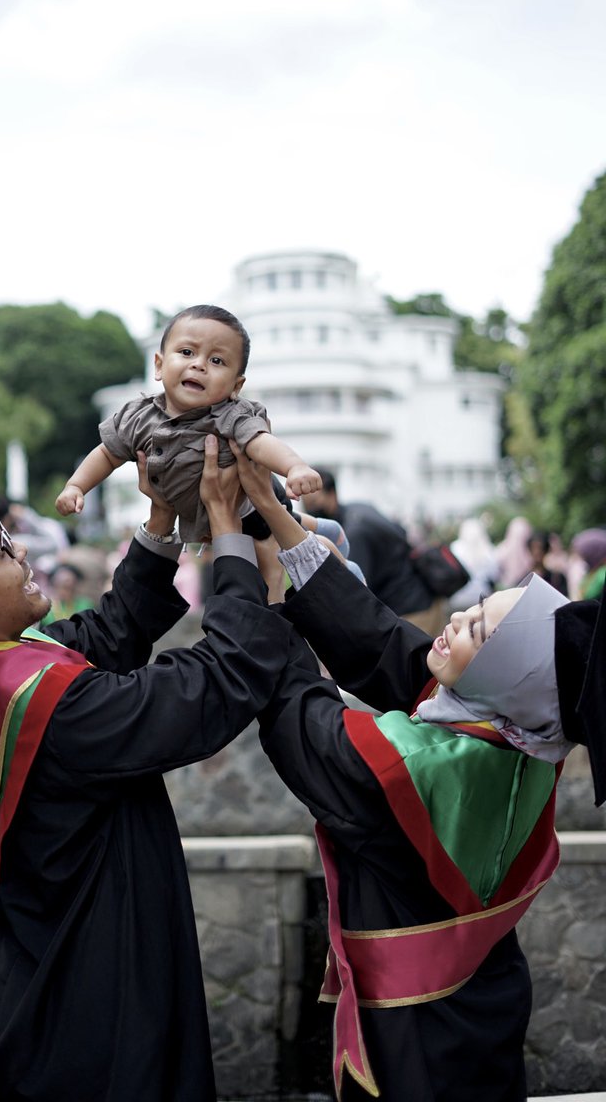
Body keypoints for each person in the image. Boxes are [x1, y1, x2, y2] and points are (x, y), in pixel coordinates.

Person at [0, 427, 303, 1102]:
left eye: (6, 533)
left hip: (44, 961)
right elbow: (208, 689)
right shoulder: (38, 705)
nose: (22, 549)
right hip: (101, 991)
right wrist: (231, 537)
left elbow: (110, 631)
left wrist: (162, 518)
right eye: (0, 550)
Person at [229, 442, 604, 1102]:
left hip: (421, 1034)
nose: (455, 617)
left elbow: (308, 730)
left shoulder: (428, 768)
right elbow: (378, 640)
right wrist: (272, 514)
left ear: (505, 681)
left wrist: (255, 590)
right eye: (476, 606)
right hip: (483, 998)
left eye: (478, 630)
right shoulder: (517, 733)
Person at [55, 304, 322, 542]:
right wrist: (76, 486)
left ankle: (329, 540)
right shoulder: (138, 417)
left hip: (248, 507)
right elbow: (106, 454)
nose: (199, 365)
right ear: (158, 365)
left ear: (235, 385)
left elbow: (261, 443)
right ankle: (319, 529)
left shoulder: (231, 415)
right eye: (186, 352)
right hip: (201, 520)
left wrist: (294, 467)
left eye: (216, 360)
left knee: (276, 553)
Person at [301, 467, 443, 634]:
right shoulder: (360, 508)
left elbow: (355, 588)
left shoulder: (354, 533)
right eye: (305, 505)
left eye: (314, 503)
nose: (309, 510)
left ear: (332, 494)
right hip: (423, 600)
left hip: (413, 610)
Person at [527, 528, 569, 597]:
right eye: (534, 548)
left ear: (545, 550)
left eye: (540, 548)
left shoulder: (557, 578)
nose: (537, 552)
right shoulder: (525, 579)